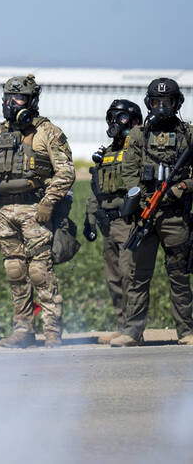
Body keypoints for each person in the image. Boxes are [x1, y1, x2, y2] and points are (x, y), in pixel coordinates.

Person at [0, 75, 75, 348]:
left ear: (31, 101)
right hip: (4, 211)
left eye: (17, 98)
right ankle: (23, 329)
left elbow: (66, 171)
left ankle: (52, 332)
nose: (10, 102)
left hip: (35, 210)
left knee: (40, 272)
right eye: (7, 97)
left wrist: (49, 202)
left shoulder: (47, 132)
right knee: (15, 271)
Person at [112, 78, 193, 347]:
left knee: (179, 276)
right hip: (146, 215)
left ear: (176, 103)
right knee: (137, 276)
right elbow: (129, 172)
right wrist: (141, 199)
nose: (161, 107)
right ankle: (132, 333)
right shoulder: (138, 135)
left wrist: (180, 187)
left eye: (166, 102)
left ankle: (186, 332)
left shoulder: (187, 135)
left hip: (175, 217)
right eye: (156, 102)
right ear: (149, 103)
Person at [83, 99, 142, 344]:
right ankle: (122, 326)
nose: (114, 123)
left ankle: (134, 331)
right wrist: (89, 219)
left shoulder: (138, 152)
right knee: (114, 278)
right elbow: (97, 189)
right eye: (112, 117)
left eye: (121, 118)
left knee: (131, 277)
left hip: (128, 222)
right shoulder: (107, 153)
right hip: (107, 224)